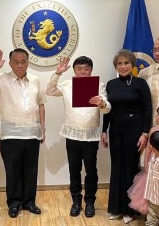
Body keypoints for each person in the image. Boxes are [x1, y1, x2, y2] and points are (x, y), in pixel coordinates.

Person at [45, 56, 111, 218]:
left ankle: (89, 202)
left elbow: (107, 109)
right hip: (72, 134)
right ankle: (76, 202)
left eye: (86, 68)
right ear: (74, 70)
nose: (83, 71)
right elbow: (49, 91)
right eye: (79, 69)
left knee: (91, 171)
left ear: (91, 70)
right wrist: (58, 73)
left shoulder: (99, 86)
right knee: (74, 170)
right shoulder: (67, 85)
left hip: (90, 136)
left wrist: (102, 103)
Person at [0, 49, 46, 218]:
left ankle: (29, 202)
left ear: (28, 62)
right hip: (10, 134)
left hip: (32, 132)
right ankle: (14, 203)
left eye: (23, 61)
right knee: (13, 171)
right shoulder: (2, 78)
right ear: (10, 63)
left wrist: (43, 128)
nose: (20, 65)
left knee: (31, 170)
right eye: (16, 62)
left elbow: (40, 104)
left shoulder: (35, 80)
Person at [102, 49, 152, 224]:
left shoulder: (140, 83)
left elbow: (147, 109)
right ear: (116, 66)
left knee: (130, 167)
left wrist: (145, 133)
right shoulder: (111, 84)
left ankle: (131, 210)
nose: (123, 66)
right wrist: (103, 130)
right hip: (116, 129)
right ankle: (116, 208)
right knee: (117, 167)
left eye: (126, 63)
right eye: (119, 64)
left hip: (135, 129)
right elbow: (107, 110)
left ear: (132, 64)